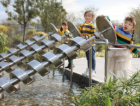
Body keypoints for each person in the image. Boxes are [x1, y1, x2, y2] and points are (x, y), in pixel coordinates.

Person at [102, 15, 140, 80]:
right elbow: (111, 25)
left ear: (132, 28)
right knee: (113, 68)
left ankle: (125, 80)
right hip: (113, 51)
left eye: (129, 24)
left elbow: (130, 47)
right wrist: (107, 18)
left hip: (122, 53)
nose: (126, 25)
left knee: (123, 68)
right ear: (123, 23)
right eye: (125, 23)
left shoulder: (130, 37)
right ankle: (114, 81)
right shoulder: (117, 29)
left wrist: (138, 51)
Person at [79, 10, 96, 77]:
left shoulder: (92, 26)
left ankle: (93, 70)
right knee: (88, 58)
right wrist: (79, 33)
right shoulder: (82, 25)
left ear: (92, 17)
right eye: (86, 16)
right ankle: (88, 69)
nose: (87, 17)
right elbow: (79, 30)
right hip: (85, 44)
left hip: (91, 44)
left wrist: (86, 37)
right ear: (84, 16)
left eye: (89, 16)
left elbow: (93, 35)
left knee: (92, 58)